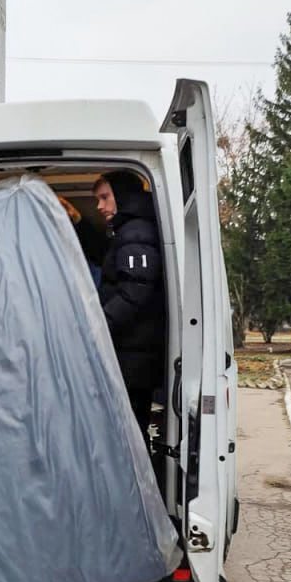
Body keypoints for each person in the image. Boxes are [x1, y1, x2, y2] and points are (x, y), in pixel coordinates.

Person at [91, 171, 166, 437]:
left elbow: (134, 292)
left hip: (134, 358)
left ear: (123, 195)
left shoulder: (136, 232)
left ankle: (136, 480)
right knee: (128, 432)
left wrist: (96, 327)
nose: (100, 206)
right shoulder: (130, 231)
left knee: (128, 435)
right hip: (133, 355)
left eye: (105, 197)